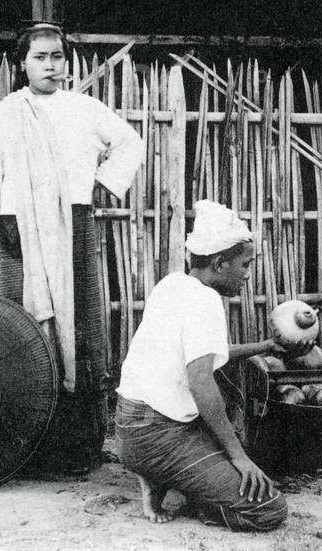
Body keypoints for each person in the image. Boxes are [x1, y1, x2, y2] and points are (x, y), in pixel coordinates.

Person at [0, 22, 144, 475]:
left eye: (57, 56)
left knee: (81, 331)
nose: (50, 65)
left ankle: (80, 446)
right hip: (17, 232)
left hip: (73, 229)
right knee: (22, 331)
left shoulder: (84, 108)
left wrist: (102, 185)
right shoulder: (6, 113)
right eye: (40, 57)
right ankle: (25, 446)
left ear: (67, 60)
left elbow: (129, 143)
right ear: (22, 63)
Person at [115, 200, 288, 532]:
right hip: (157, 435)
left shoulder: (172, 284)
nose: (248, 275)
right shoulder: (205, 301)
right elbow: (200, 381)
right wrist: (237, 456)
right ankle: (174, 480)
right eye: (245, 264)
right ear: (221, 263)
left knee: (230, 392)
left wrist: (264, 346)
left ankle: (159, 474)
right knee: (269, 509)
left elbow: (207, 354)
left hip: (130, 426)